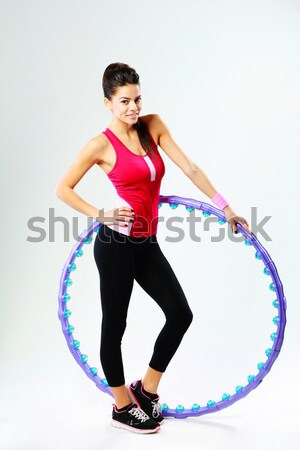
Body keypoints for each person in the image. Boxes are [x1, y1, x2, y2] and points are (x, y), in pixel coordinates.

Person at [55, 62, 251, 434]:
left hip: (146, 242)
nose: (133, 107)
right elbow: (62, 188)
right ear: (108, 103)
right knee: (115, 326)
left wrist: (226, 206)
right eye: (125, 101)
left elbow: (190, 167)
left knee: (180, 314)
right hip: (115, 243)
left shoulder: (153, 125)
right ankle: (121, 406)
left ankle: (145, 391)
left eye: (137, 98)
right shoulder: (99, 145)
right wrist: (101, 214)